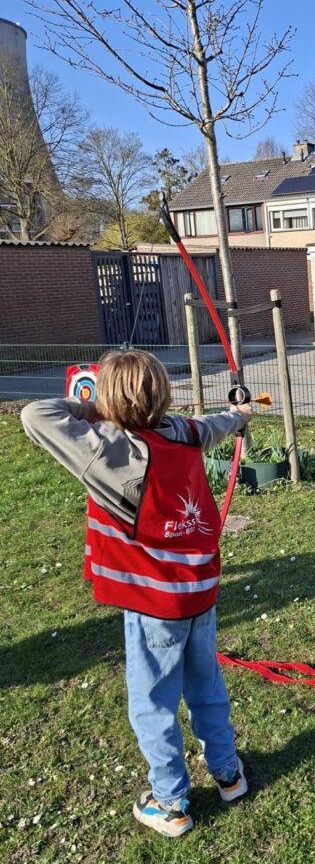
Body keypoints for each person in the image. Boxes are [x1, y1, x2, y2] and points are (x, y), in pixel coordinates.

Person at [21, 349, 253, 838]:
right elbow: (213, 425)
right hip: (200, 591)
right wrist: (238, 415)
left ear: (110, 399)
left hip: (154, 604)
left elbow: (35, 414)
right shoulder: (183, 431)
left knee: (152, 701)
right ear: (162, 394)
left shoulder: (108, 450)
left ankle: (170, 803)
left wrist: (94, 408)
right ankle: (229, 775)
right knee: (206, 684)